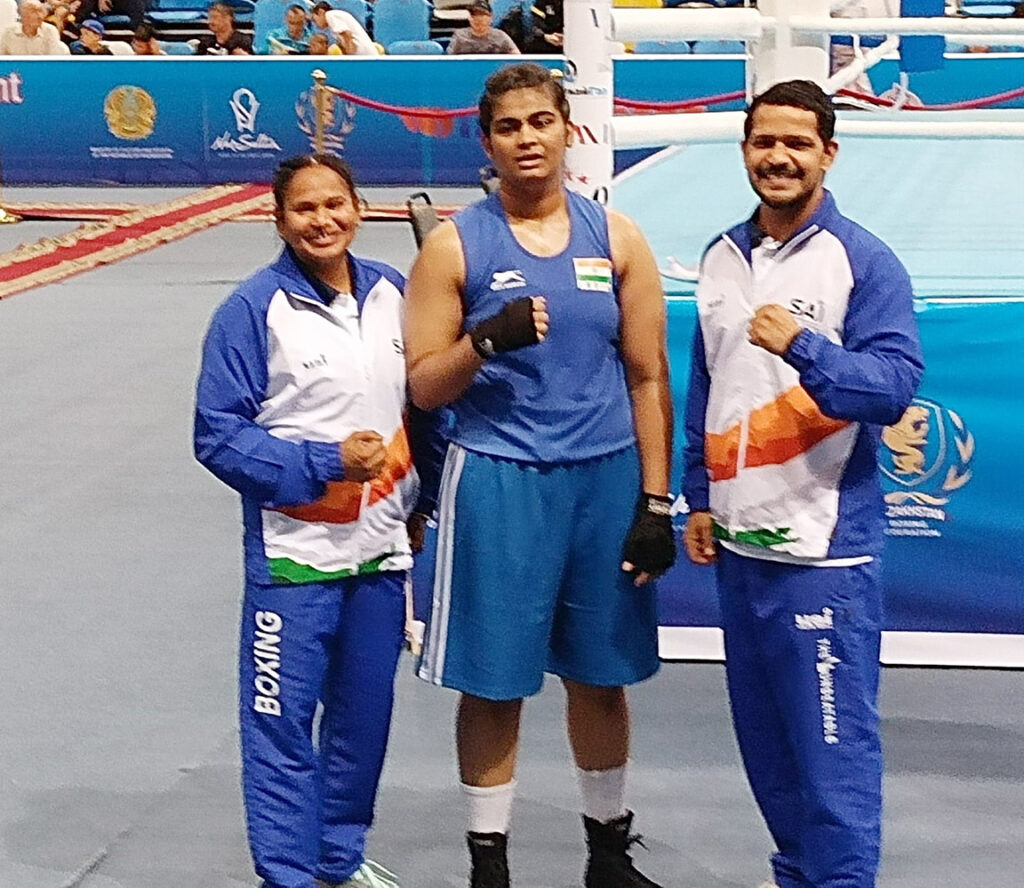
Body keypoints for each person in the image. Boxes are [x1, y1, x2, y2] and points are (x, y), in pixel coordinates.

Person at [404, 62, 675, 888]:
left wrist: (657, 501)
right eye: (510, 127)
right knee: (494, 685)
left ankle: (607, 856)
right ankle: (490, 866)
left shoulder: (618, 237)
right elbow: (422, 385)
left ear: (568, 130)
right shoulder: (456, 245)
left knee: (601, 676)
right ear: (488, 142)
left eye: (540, 122)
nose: (527, 139)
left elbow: (647, 375)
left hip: (603, 480)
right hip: (499, 479)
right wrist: (484, 341)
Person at [681, 80, 924, 888]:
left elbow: (891, 391)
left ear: (828, 153)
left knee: (833, 762)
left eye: (796, 143)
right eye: (763, 142)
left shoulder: (862, 260)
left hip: (823, 555)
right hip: (744, 548)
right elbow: (706, 384)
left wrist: (806, 346)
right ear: (745, 149)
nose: (778, 158)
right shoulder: (719, 256)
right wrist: (700, 495)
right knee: (772, 759)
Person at [194, 154, 441, 888]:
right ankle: (289, 876)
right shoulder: (251, 310)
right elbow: (217, 435)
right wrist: (326, 462)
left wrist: (420, 506)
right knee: (281, 729)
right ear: (279, 220)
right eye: (305, 209)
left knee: (362, 727)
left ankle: (339, 860)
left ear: (359, 210)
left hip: (379, 557)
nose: (322, 220)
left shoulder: (395, 295)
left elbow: (424, 410)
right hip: (294, 561)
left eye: (335, 204)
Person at [447, 0, 520, 55]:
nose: (479, 19)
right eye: (475, 15)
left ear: (491, 18)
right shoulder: (459, 36)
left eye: (482, 15)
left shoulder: (501, 36)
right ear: (470, 18)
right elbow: (450, 59)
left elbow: (517, 56)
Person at [0, 0, 67, 54]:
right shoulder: (8, 33)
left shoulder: (50, 31)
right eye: (34, 12)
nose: (40, 16)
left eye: (41, 12)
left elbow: (54, 61)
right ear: (23, 16)